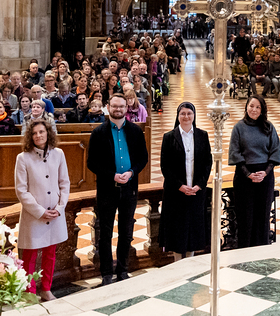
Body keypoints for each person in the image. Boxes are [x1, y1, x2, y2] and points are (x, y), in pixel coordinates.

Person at [87, 93, 148, 285]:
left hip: (129, 188)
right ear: (108, 107)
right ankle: (106, 273)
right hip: (107, 189)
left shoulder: (135, 131)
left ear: (126, 108)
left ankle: (122, 270)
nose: (118, 109)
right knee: (105, 233)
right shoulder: (99, 133)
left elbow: (143, 158)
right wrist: (112, 175)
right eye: (114, 106)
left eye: (121, 106)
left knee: (126, 232)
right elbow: (92, 163)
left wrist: (131, 172)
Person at [15, 119, 70, 302]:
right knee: (30, 255)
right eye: (34, 133)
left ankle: (46, 289)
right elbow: (21, 190)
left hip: (55, 213)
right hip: (34, 215)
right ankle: (30, 292)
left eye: (41, 132)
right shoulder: (23, 158)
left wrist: (60, 208)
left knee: (50, 254)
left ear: (48, 133)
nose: (38, 135)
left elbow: (64, 183)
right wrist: (39, 211)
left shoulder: (59, 154)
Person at [160, 102, 213, 258]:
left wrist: (199, 185)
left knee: (193, 231)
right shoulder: (169, 137)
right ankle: (178, 263)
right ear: (178, 116)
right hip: (176, 193)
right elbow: (165, 166)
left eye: (189, 113)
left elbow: (207, 163)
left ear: (194, 116)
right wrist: (180, 186)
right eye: (182, 113)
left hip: (196, 192)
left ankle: (190, 262)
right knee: (177, 231)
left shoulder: (202, 136)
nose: (186, 116)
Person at [228, 95, 280, 248]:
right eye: (251, 106)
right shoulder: (239, 127)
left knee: (262, 217)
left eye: (258, 107)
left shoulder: (268, 127)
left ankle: (261, 253)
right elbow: (235, 152)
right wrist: (248, 174)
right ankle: (244, 252)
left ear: (262, 110)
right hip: (244, 176)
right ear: (246, 107)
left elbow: (275, 151)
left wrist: (265, 172)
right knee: (245, 218)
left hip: (265, 176)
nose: (254, 109)